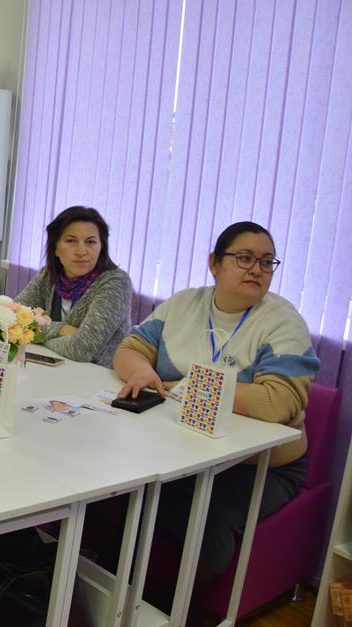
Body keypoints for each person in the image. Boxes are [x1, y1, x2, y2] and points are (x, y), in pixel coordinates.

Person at [113, 221, 319, 594]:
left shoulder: (285, 324)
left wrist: (186, 387)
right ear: (214, 263)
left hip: (257, 465)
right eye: (245, 258)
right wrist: (143, 371)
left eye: (267, 262)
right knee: (116, 483)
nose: (257, 269)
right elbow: (130, 349)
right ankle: (106, 585)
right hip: (181, 444)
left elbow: (277, 403)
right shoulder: (185, 304)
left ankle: (175, 607)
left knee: (206, 512)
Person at [13, 206, 132, 368]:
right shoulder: (49, 275)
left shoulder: (116, 282)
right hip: (54, 370)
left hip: (98, 377)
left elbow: (83, 349)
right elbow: (12, 318)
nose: (81, 251)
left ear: (101, 247)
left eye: (90, 242)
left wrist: (37, 333)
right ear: (55, 248)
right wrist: (62, 329)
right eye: (71, 241)